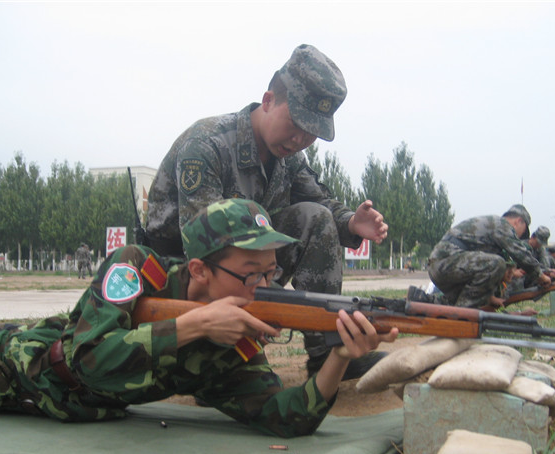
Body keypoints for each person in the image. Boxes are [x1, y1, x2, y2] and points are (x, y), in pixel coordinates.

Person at [0, 199, 397, 437]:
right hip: (8, 365)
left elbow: (285, 418)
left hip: (79, 414)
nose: (263, 286)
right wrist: (195, 325)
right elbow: (88, 360)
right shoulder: (136, 269)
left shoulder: (230, 346)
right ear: (199, 270)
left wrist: (338, 357)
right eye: (250, 274)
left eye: (271, 271)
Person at [145, 44, 389, 379]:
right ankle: (210, 357)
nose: (300, 138)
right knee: (243, 386)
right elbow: (202, 246)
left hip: (243, 270)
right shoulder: (207, 144)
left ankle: (325, 354)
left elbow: (319, 203)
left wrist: (350, 222)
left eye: (312, 132)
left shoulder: (289, 158)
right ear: (268, 100)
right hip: (185, 276)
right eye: (295, 123)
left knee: (316, 218)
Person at [427, 204, 552, 309]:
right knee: (497, 264)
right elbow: (519, 253)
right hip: (445, 262)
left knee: (453, 301)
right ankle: (463, 314)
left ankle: (429, 303)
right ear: (518, 222)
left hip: (444, 265)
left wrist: (489, 297)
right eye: (523, 232)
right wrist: (540, 275)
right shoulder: (501, 224)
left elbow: (483, 270)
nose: (519, 237)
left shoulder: (493, 230)